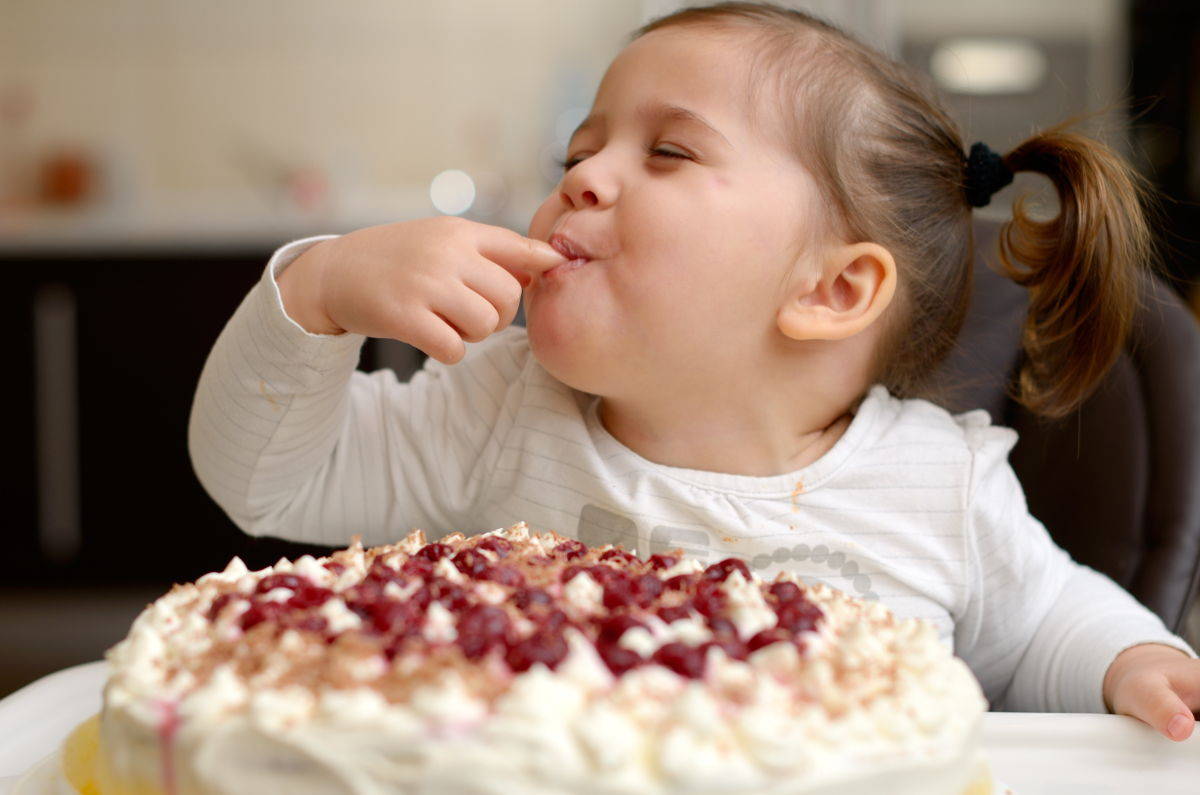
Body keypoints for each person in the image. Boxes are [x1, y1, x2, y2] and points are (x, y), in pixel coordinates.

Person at [188, 1, 1199, 741]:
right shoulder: (501, 411)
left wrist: (1140, 663)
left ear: (833, 291)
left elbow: (1050, 619)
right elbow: (268, 476)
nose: (581, 176)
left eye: (667, 152)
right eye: (575, 154)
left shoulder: (938, 488)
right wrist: (316, 290)